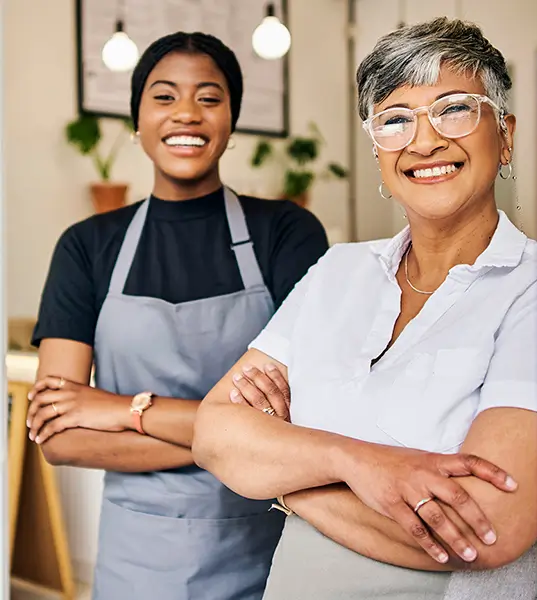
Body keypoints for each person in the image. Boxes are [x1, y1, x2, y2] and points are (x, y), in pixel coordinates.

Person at [192, 17, 537, 599]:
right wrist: (360, 463)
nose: (424, 141)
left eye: (454, 109)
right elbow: (215, 432)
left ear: (504, 135)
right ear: (378, 151)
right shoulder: (338, 271)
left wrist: (287, 481)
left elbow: (489, 526)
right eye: (395, 120)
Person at [26, 31, 328, 600]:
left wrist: (120, 410)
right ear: (138, 120)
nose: (186, 112)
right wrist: (241, 438)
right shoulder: (88, 246)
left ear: (232, 121)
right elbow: (59, 436)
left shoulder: (286, 233)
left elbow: (302, 417)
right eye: (164, 97)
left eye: (209, 98)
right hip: (134, 568)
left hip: (265, 557)